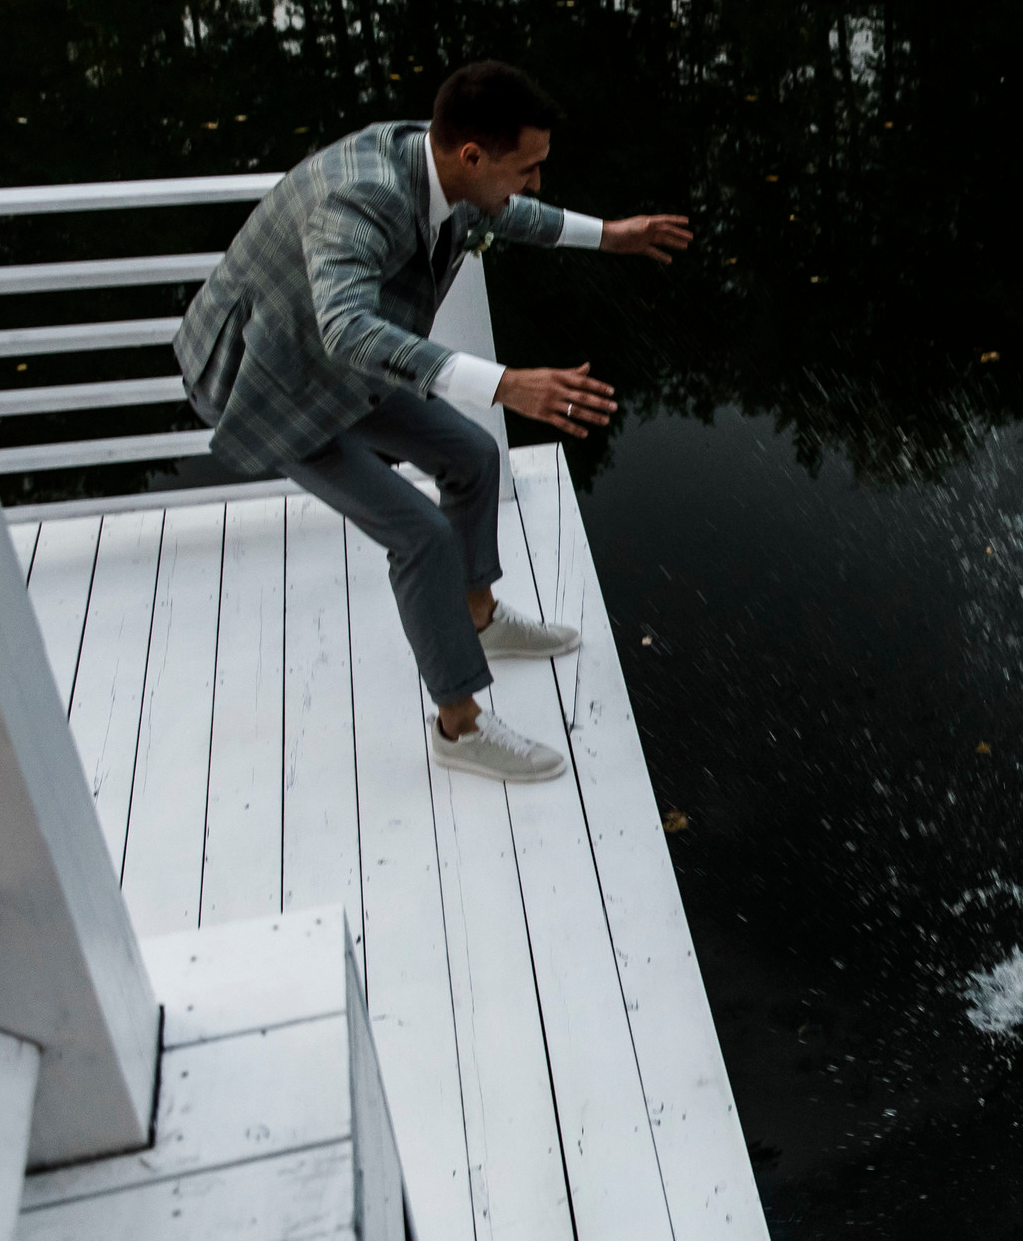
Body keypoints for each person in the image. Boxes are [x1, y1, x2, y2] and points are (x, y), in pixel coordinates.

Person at [175, 60, 693, 782]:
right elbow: (346, 330)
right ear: (472, 155)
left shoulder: (445, 164)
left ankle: (478, 613)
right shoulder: (359, 197)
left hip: (341, 359)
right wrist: (505, 383)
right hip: (272, 381)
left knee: (474, 456)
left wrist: (611, 235)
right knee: (420, 536)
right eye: (528, 168)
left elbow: (507, 212)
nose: (536, 182)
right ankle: (460, 726)